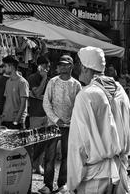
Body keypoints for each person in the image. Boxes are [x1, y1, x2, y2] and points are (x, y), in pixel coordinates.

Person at [67, 46, 130, 194]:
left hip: (94, 177)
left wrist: (72, 182)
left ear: (85, 67)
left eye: (78, 64)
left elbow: (77, 144)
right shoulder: (120, 91)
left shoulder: (86, 95)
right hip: (118, 171)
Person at [39, 55, 82, 194]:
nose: (63, 67)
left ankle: (62, 184)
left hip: (69, 126)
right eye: (61, 65)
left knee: (66, 156)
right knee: (50, 156)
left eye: (66, 64)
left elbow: (79, 106)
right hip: (53, 125)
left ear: (71, 66)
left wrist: (72, 120)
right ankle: (47, 185)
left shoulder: (76, 84)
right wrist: (56, 120)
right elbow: (46, 103)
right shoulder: (53, 82)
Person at [28, 56, 50, 175]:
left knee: (43, 142)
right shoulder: (32, 78)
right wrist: (44, 79)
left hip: (47, 114)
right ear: (40, 66)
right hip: (35, 114)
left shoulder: (50, 79)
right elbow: (37, 93)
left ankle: (38, 166)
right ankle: (30, 164)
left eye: (49, 66)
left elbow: (49, 97)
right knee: (33, 142)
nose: (48, 68)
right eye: (46, 66)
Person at [1, 55, 29, 129]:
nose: (4, 68)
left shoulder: (22, 82)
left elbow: (23, 104)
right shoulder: (8, 82)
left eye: (5, 66)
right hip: (6, 120)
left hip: (17, 121)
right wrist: (3, 116)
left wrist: (16, 121)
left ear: (11, 66)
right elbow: (7, 100)